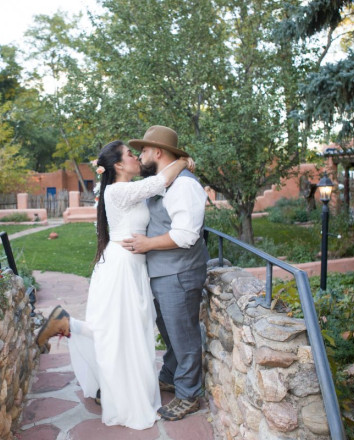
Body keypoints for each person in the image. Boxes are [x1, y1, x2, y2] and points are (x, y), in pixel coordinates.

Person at [35, 140, 192, 430]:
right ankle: (115, 388)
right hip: (121, 268)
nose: (136, 158)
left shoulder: (124, 189)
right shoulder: (118, 190)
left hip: (129, 265)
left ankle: (67, 323)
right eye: (131, 155)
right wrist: (183, 161)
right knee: (119, 333)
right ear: (119, 165)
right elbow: (161, 180)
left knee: (122, 331)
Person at [122, 125, 209, 422]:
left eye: (143, 150)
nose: (140, 155)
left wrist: (147, 244)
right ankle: (171, 376)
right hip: (163, 273)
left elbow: (186, 235)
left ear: (157, 152)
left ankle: (188, 394)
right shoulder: (164, 182)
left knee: (184, 336)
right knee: (170, 334)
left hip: (180, 273)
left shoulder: (185, 185)